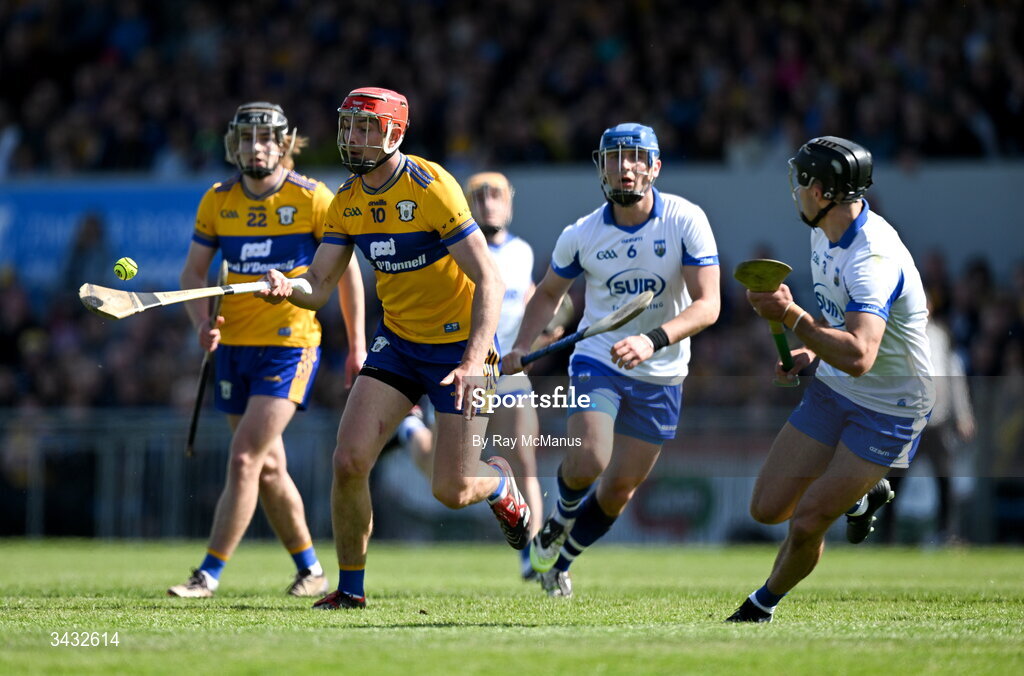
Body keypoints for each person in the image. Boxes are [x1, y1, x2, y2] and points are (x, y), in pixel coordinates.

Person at [258, 87, 530, 610]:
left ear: (395, 134)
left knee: (452, 491)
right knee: (348, 460)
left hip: (459, 351)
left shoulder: (431, 187)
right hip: (400, 345)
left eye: (366, 128)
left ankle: (498, 486)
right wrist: (285, 286)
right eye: (349, 127)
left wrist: (475, 361)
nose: (354, 139)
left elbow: (489, 280)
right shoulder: (347, 201)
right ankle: (351, 590)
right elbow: (318, 284)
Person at [502, 123, 721, 598]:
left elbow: (708, 305)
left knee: (619, 489)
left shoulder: (685, 220)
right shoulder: (581, 234)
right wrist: (522, 345)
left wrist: (653, 340)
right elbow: (547, 295)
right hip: (598, 359)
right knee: (591, 458)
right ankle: (559, 518)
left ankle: (560, 559)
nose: (625, 167)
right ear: (600, 167)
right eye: (614, 158)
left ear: (655, 167)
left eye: (636, 157)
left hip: (662, 369)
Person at [726, 136, 934, 623]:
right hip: (836, 386)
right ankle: (862, 493)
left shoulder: (873, 258)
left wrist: (792, 314)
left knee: (808, 520)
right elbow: (845, 334)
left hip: (890, 405)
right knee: (767, 508)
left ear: (821, 191)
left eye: (799, 180)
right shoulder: (825, 228)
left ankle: (761, 605)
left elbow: (862, 353)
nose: (794, 190)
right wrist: (811, 352)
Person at [168, 102, 367, 598]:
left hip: (289, 345)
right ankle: (310, 569)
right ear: (233, 144)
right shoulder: (218, 201)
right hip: (234, 346)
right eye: (245, 139)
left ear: (284, 143)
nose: (255, 148)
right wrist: (202, 323)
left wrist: (357, 344)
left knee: (243, 459)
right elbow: (192, 275)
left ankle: (207, 573)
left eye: (265, 139)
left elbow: (346, 275)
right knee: (268, 466)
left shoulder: (314, 199)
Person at [394, 171, 560, 580]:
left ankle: (532, 556)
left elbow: (529, 299)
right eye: (479, 196)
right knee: (445, 472)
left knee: (523, 455)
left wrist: (538, 333)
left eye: (497, 194)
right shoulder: (455, 246)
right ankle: (413, 432)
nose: (488, 202)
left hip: (504, 370)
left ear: (510, 201)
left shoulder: (522, 251)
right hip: (461, 366)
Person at [881, 292, 975, 544]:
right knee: (895, 480)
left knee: (944, 479)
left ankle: (947, 533)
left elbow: (953, 372)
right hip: (909, 419)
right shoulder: (897, 333)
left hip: (938, 420)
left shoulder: (941, 334)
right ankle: (885, 533)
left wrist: (963, 415)